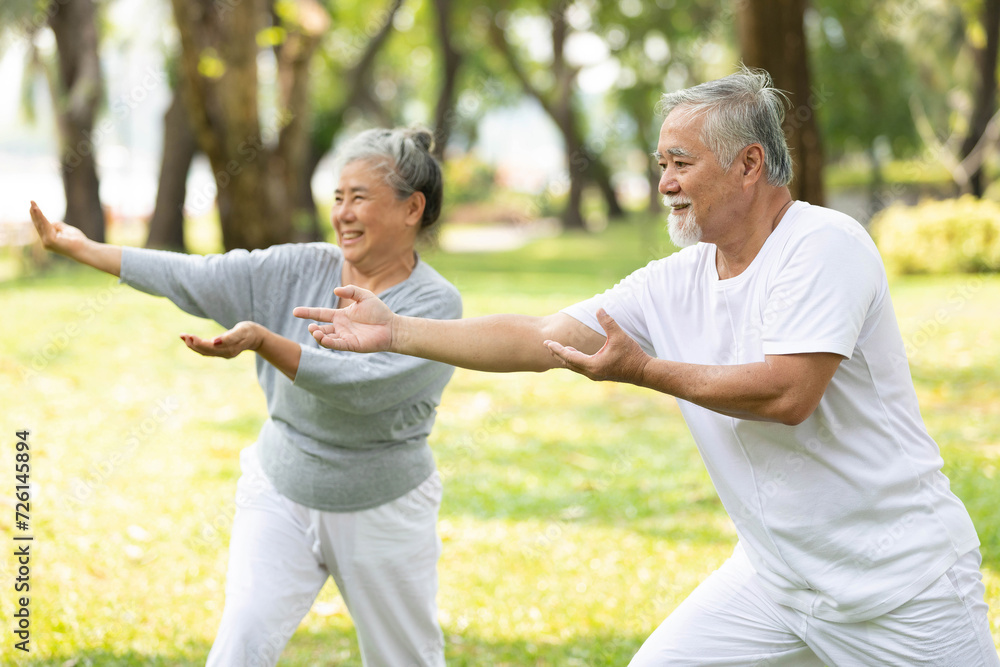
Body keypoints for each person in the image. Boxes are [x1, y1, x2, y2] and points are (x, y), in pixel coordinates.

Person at [294, 70, 999, 666]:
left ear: (749, 165)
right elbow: (542, 336)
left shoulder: (823, 246)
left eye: (681, 163)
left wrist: (645, 370)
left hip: (903, 589)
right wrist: (398, 329)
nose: (663, 183)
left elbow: (789, 392)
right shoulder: (679, 277)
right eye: (661, 163)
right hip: (780, 583)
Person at [30, 127, 461, 667]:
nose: (343, 213)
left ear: (411, 208)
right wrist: (85, 248)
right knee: (241, 643)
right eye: (337, 197)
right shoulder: (302, 267)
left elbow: (364, 388)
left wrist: (266, 340)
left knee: (405, 658)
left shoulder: (435, 305)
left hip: (383, 507)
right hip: (281, 487)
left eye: (360, 198)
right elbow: (201, 274)